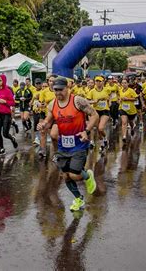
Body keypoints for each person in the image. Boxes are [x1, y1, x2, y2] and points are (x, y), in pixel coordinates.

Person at [36, 77, 98, 212]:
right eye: (55, 90)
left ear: (67, 88)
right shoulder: (52, 104)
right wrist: (43, 125)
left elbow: (94, 115)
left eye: (60, 89)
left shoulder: (77, 101)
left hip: (79, 143)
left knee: (75, 174)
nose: (58, 92)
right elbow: (48, 120)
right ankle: (78, 199)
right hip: (63, 144)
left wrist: (86, 131)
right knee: (65, 175)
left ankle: (87, 175)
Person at [0, 74, 18, 154]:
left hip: (6, 115)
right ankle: (2, 148)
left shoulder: (7, 91)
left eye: (0, 80)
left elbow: (13, 103)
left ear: (4, 81)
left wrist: (5, 101)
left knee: (5, 134)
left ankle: (12, 139)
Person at [87, 76, 110, 151]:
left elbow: (109, 97)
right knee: (97, 128)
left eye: (100, 81)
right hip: (95, 112)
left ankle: (105, 138)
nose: (98, 83)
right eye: (97, 81)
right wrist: (94, 101)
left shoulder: (107, 90)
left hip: (105, 111)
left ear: (103, 82)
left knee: (100, 128)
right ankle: (102, 142)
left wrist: (109, 103)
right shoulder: (92, 91)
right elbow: (87, 101)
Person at [38, 75, 57, 158]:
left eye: (53, 81)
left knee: (54, 136)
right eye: (50, 81)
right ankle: (42, 150)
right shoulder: (44, 91)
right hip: (45, 114)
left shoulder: (59, 91)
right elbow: (40, 103)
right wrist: (40, 105)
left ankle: (57, 152)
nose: (51, 83)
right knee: (42, 131)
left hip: (56, 116)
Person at [119, 78, 138, 142]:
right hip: (122, 108)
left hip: (131, 110)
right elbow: (120, 98)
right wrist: (119, 100)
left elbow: (135, 99)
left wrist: (127, 99)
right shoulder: (120, 90)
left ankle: (132, 127)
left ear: (127, 84)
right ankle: (124, 136)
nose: (123, 84)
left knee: (131, 122)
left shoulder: (131, 90)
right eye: (122, 83)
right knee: (124, 122)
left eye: (125, 83)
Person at [31, 78, 44, 146]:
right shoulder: (33, 90)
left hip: (41, 110)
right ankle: (37, 138)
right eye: (37, 83)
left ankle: (41, 138)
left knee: (41, 125)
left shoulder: (43, 90)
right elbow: (32, 100)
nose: (38, 85)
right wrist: (31, 102)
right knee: (35, 124)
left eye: (39, 83)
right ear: (35, 84)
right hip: (35, 110)